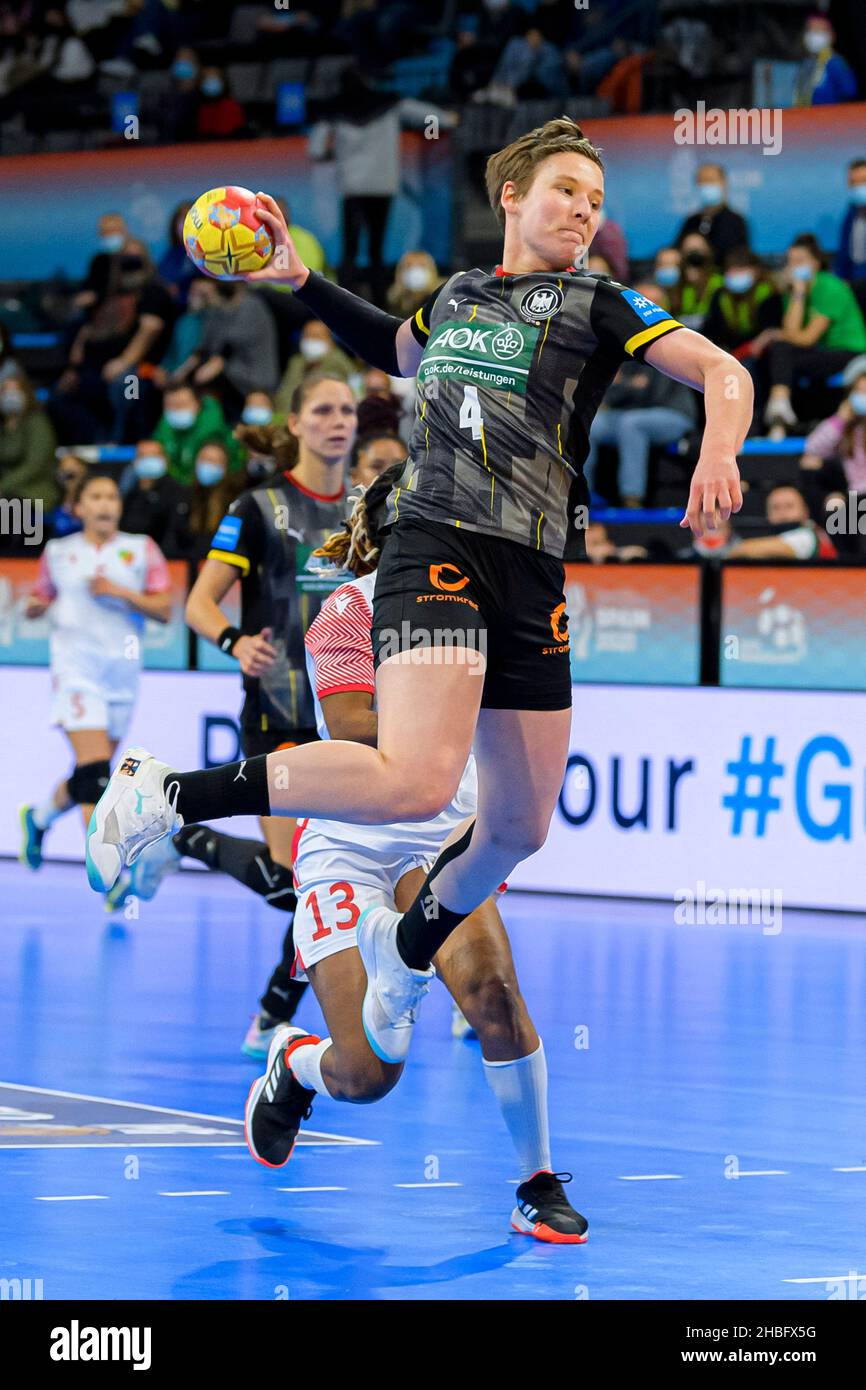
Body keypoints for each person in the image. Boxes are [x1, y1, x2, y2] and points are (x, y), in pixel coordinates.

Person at [86, 117, 751, 1073]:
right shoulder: (459, 296)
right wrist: (297, 283)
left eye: (597, 201)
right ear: (513, 196)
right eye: (567, 190)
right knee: (416, 780)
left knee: (518, 828)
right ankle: (166, 793)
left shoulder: (598, 301)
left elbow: (722, 371)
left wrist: (720, 444)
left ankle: (406, 948)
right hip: (435, 540)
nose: (584, 211)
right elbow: (398, 350)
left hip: (533, 564)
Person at [243, 463, 587, 1242]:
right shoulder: (347, 610)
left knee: (495, 1000)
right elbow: (359, 730)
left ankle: (536, 1181)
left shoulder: (486, 605)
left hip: (439, 838)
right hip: (352, 841)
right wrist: (446, 717)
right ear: (384, 531)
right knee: (368, 1076)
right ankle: (296, 1064)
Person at [167, 377, 357, 1054]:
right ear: (297, 424)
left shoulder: (369, 508)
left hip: (355, 722)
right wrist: (234, 641)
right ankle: (185, 838)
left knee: (330, 884)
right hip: (278, 713)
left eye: (347, 411)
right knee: (294, 886)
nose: (338, 422)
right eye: (324, 410)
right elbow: (200, 603)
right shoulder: (258, 506)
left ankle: (274, 1017)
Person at [20, 472, 171, 883]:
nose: (105, 504)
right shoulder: (57, 551)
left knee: (92, 775)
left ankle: (38, 817)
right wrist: (35, 605)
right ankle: (115, 872)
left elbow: (164, 608)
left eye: (111, 497)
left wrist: (121, 593)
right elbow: (43, 594)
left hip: (121, 675)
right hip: (75, 672)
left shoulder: (141, 549)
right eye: (95, 497)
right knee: (99, 774)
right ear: (79, 506)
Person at [309, 65, 457, 305]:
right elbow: (433, 118)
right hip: (382, 187)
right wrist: (438, 128)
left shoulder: (337, 109)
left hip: (353, 189)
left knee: (350, 251)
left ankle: (346, 305)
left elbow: (315, 149)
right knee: (376, 251)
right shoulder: (388, 104)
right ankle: (380, 304)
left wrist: (329, 152)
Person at [51, 238, 176, 444]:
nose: (130, 266)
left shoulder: (153, 292)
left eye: (136, 260)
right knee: (60, 396)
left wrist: (124, 362)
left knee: (128, 391)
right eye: (125, 260)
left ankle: (126, 443)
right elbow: (88, 330)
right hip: (97, 369)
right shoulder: (109, 296)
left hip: (141, 371)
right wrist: (73, 368)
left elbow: (149, 330)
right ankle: (94, 443)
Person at [583, 290, 697, 505]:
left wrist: (624, 386)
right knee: (591, 424)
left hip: (673, 414)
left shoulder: (673, 339)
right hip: (630, 413)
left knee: (632, 424)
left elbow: (653, 393)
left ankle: (632, 498)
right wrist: (630, 387)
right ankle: (581, 494)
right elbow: (612, 391)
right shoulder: (623, 339)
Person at [763, 234, 866, 431]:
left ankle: (780, 407)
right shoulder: (793, 292)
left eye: (800, 261)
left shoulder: (831, 287)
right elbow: (791, 333)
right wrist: (798, 294)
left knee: (782, 350)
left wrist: (781, 334)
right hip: (821, 352)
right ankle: (779, 407)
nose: (793, 267)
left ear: (816, 263)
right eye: (790, 261)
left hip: (849, 352)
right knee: (778, 351)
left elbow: (806, 338)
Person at [194, 281, 280, 421]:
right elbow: (207, 345)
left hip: (257, 384)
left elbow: (229, 345)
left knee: (258, 428)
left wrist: (212, 366)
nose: (208, 300)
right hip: (234, 383)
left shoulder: (251, 305)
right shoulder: (217, 312)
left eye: (210, 296)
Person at [153, 384, 243, 485]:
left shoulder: (212, 426)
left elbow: (235, 462)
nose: (176, 410)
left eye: (181, 404)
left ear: (197, 404)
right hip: (177, 486)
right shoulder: (165, 424)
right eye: (170, 405)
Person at [801, 364, 866, 495]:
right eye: (859, 391)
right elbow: (813, 448)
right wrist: (840, 420)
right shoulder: (847, 426)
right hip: (854, 496)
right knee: (809, 465)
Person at [121, 439, 192, 558]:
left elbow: (175, 535)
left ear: (165, 460)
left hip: (167, 560)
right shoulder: (130, 495)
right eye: (143, 456)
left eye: (154, 455)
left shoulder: (178, 492)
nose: (148, 460)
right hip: (131, 559)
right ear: (135, 462)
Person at [727, 485, 837, 561]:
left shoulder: (807, 535)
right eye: (776, 508)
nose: (782, 512)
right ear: (767, 515)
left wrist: (734, 551)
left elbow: (746, 550)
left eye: (789, 506)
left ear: (805, 512)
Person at [0, 372, 58, 510]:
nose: (10, 396)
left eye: (15, 391)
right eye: (5, 391)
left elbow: (34, 465)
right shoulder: (2, 427)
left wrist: (3, 485)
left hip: (34, 492)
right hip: (6, 491)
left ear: (26, 394)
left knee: (10, 508)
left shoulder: (37, 422)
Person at [675, 164, 749, 267]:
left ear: (724, 183)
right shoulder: (691, 221)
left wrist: (706, 251)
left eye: (711, 180)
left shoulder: (735, 222)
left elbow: (738, 258)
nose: (707, 186)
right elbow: (677, 251)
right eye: (702, 182)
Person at [274, 321, 354, 416]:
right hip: (290, 420)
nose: (311, 340)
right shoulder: (296, 362)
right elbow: (284, 394)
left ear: (330, 341)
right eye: (307, 336)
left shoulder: (338, 362)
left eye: (316, 336)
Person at [794, 14, 857, 107]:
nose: (815, 35)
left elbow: (849, 91)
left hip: (830, 117)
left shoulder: (835, 63)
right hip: (805, 116)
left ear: (831, 35)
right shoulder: (806, 63)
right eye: (811, 31)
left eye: (820, 31)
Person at [74, 211, 129, 312]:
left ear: (124, 231)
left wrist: (98, 296)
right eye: (106, 232)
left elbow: (132, 286)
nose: (110, 235)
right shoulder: (98, 260)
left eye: (114, 231)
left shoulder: (134, 256)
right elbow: (90, 285)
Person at [834, 159, 866, 319]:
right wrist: (841, 282)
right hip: (854, 286)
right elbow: (844, 254)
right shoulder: (850, 214)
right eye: (854, 182)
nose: (859, 187)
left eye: (864, 181)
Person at [672, 232, 724, 331]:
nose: (693, 256)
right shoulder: (675, 286)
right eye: (688, 250)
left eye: (698, 250)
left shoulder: (720, 284)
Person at [195, 64, 246, 140]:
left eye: (214, 78)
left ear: (223, 82)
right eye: (207, 78)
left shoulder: (232, 107)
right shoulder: (197, 109)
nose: (211, 82)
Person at [44, 452, 86, 539]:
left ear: (84, 470)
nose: (68, 471)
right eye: (63, 468)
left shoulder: (93, 499)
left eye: (74, 466)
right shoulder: (51, 500)